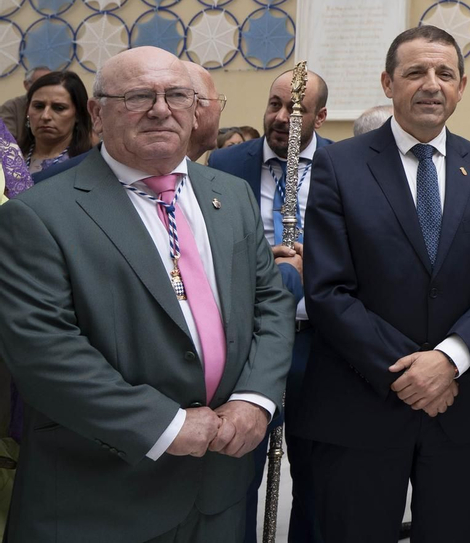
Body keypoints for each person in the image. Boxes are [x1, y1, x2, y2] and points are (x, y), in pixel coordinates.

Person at [0, 46, 295, 540]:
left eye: (177, 95)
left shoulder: (230, 195)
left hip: (219, 488)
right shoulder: (38, 215)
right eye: (139, 96)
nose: (162, 109)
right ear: (97, 113)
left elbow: (271, 303)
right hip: (101, 495)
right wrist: (162, 424)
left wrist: (255, 397)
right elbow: (43, 348)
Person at [296, 26, 470, 542]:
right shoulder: (339, 164)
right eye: (415, 72)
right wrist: (408, 373)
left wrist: (449, 360)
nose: (431, 84)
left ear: (462, 86)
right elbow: (328, 289)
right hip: (362, 403)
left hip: (463, 404)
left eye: (444, 73)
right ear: (388, 83)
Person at [211, 67, 331, 543]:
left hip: (319, 342)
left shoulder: (350, 166)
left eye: (297, 109)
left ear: (321, 116)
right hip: (248, 343)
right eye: (275, 104)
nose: (282, 117)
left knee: (321, 480)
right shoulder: (223, 163)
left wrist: (314, 268)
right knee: (237, 474)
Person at [17, 69, 92, 176]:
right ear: (27, 111)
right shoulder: (9, 159)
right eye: (38, 106)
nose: (45, 116)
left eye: (59, 108)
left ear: (78, 114)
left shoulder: (89, 164)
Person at [0, 67, 50, 142]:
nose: (46, 89)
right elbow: (5, 142)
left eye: (50, 85)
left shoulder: (58, 105)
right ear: (26, 85)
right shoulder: (11, 107)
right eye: (40, 84)